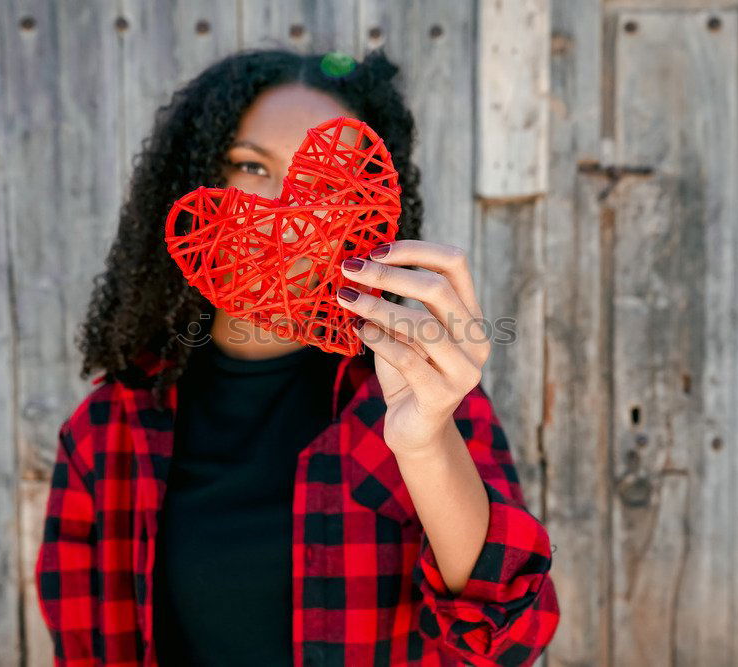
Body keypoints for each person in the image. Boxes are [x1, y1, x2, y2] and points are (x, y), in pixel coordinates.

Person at [34, 48, 559, 667]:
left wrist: (425, 444)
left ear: (366, 210)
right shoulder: (109, 431)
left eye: (324, 185)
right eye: (251, 166)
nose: (285, 213)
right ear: (195, 179)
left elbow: (512, 640)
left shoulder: (420, 391)